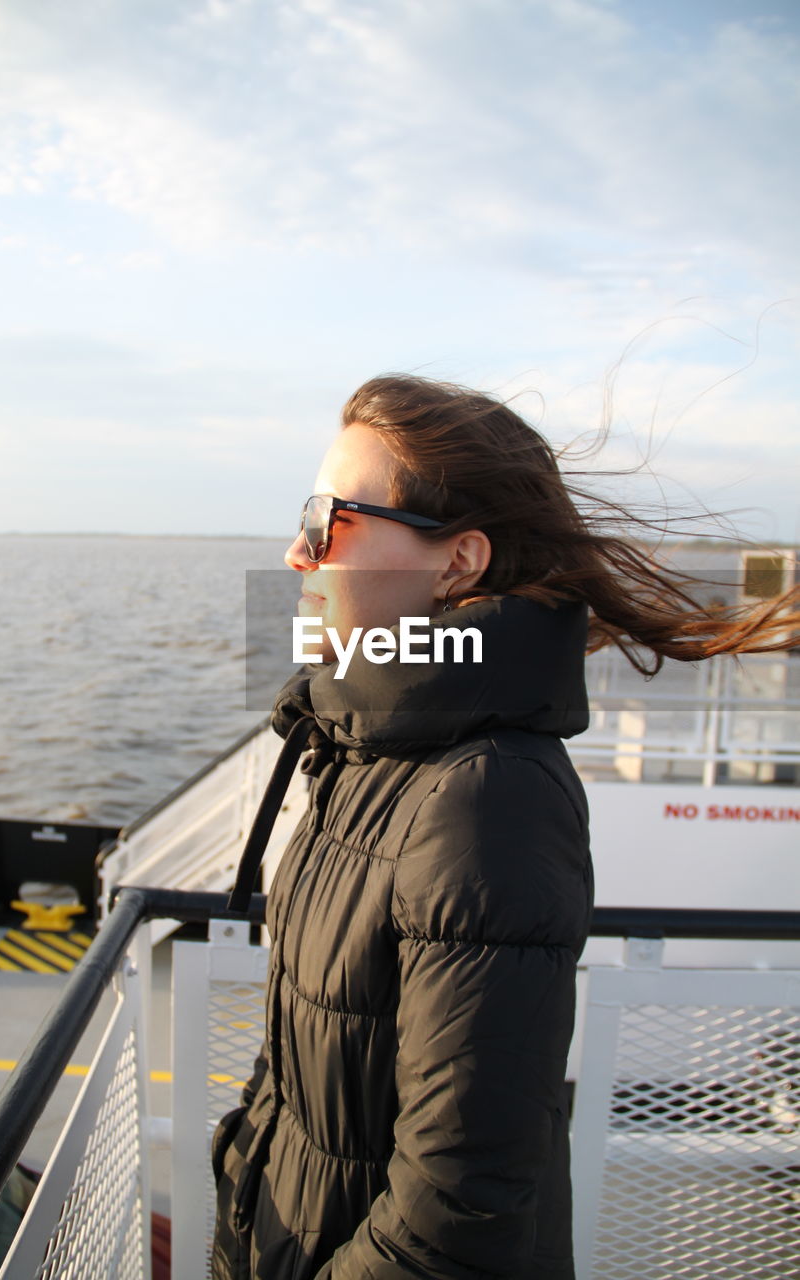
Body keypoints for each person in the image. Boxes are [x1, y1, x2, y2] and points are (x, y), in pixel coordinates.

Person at [211, 375, 800, 1280]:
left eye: (330, 519)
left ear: (458, 563)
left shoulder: (486, 798)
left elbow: (458, 1206)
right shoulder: (368, 753)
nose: (297, 552)